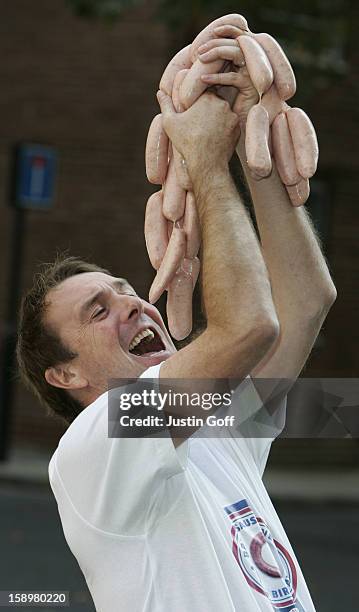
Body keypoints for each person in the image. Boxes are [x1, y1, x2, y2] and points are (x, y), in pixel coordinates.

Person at [16, 86, 336, 611]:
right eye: (99, 310)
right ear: (65, 375)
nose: (134, 305)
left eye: (129, 290)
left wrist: (250, 151)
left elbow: (305, 302)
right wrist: (207, 161)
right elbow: (249, 326)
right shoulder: (95, 446)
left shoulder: (218, 423)